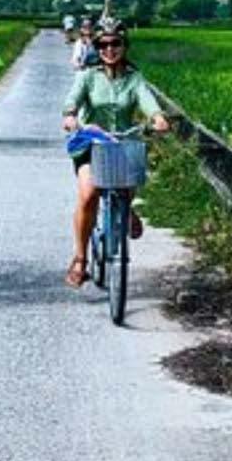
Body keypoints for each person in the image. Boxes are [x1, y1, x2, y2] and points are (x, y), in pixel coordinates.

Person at [60, 19, 170, 287]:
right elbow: (72, 100)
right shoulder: (87, 76)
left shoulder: (134, 78)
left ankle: (126, 209)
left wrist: (157, 117)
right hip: (92, 144)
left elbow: (147, 100)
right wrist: (71, 116)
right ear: (97, 48)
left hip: (123, 143)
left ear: (124, 46)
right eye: (103, 44)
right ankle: (80, 258)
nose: (110, 49)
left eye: (115, 43)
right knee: (89, 195)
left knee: (126, 187)